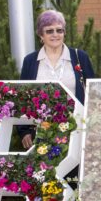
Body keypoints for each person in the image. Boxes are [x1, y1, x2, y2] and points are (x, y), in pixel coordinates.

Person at [18, 10, 96, 149]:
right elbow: (23, 98)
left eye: (59, 30)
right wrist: (24, 131)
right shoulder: (30, 61)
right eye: (49, 31)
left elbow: (94, 93)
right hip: (42, 131)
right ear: (41, 35)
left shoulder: (80, 57)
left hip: (76, 129)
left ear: (64, 33)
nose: (55, 34)